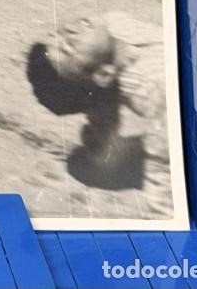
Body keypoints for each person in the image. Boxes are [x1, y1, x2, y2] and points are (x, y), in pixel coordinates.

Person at [26, 12, 170, 203]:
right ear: (104, 74)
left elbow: (101, 100)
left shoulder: (112, 26)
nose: (69, 30)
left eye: (57, 33)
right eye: (68, 47)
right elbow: (163, 170)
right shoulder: (155, 87)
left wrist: (101, 139)